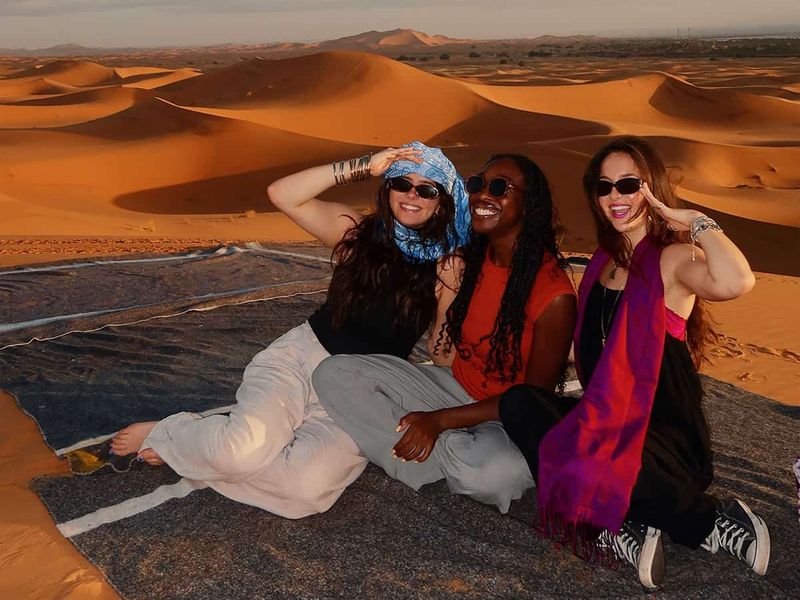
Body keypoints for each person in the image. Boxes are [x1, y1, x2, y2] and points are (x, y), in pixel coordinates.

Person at [110, 141, 471, 518]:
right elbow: (282, 194)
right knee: (240, 452)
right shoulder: (356, 233)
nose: (411, 196)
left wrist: (451, 291)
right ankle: (178, 432)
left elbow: (441, 355)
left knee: (304, 494)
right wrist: (365, 165)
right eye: (401, 183)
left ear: (442, 200)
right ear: (388, 187)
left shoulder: (448, 264)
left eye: (426, 189)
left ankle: (213, 447)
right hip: (303, 360)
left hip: (363, 392)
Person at [499, 136, 768, 589]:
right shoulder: (601, 263)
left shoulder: (674, 258)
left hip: (661, 437)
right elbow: (588, 346)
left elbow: (736, 280)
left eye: (629, 184)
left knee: (592, 451)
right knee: (519, 405)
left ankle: (710, 522)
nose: (615, 198)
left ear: (653, 188)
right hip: (605, 419)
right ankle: (625, 519)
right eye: (605, 187)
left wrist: (694, 221)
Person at [312, 154, 577, 513]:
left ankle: (430, 447)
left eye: (499, 188)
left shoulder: (553, 294)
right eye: (477, 185)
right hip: (452, 386)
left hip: (507, 419)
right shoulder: (470, 260)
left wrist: (438, 421)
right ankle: (440, 451)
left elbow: (532, 403)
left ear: (529, 204)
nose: (484, 195)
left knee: (492, 474)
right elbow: (443, 352)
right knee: (335, 373)